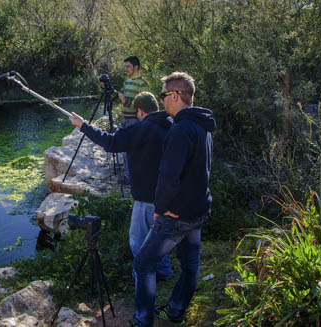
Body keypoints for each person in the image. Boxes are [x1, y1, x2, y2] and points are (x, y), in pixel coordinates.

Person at [131, 72, 216, 327]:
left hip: (176, 215)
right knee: (190, 264)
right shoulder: (203, 125)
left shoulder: (180, 130)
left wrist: (160, 209)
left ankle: (142, 319)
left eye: (164, 95)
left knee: (144, 263)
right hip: (198, 211)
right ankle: (176, 311)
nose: (162, 101)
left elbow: (168, 177)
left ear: (175, 95)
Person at [69, 92, 174, 281]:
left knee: (137, 241)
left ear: (140, 111)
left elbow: (110, 142)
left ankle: (144, 277)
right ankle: (164, 273)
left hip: (145, 199)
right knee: (158, 240)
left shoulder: (139, 130)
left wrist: (83, 125)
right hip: (166, 197)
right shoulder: (171, 126)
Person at [116, 56, 150, 182]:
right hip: (124, 119)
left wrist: (125, 102)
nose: (126, 69)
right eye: (125, 66)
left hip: (134, 121)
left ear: (136, 67)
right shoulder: (127, 81)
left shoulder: (143, 84)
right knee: (125, 149)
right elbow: (122, 93)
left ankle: (133, 178)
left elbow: (144, 106)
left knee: (132, 151)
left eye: (128, 66)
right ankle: (129, 176)